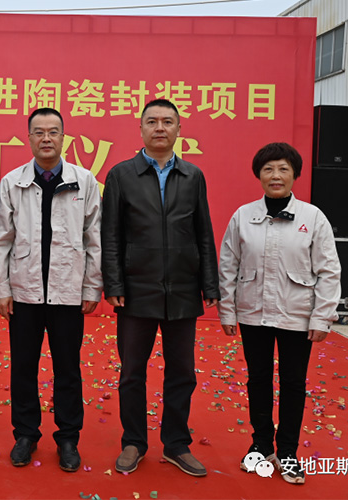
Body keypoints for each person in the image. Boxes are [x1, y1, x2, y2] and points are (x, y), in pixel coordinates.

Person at [101, 98, 220, 477]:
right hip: (136, 289)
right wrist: (113, 282)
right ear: (140, 129)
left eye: (167, 122)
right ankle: (133, 441)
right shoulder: (121, 175)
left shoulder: (193, 176)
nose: (159, 128)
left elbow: (203, 232)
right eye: (152, 121)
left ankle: (176, 444)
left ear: (179, 129)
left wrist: (210, 284)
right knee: (132, 372)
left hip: (183, 290)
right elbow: (110, 235)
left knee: (182, 372)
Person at [218, 142, 341, 485]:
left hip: (296, 314)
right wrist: (227, 311)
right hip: (253, 313)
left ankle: (287, 451)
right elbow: (228, 265)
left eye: (283, 169)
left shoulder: (312, 218)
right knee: (257, 378)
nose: (276, 176)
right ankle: (260, 444)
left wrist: (322, 317)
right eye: (268, 169)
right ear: (258, 175)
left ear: (294, 175)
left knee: (293, 382)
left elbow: (329, 270)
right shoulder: (243, 216)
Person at [0, 108, 102, 472]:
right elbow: (0, 240)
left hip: (68, 291)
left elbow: (94, 238)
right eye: (39, 132)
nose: (46, 138)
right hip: (24, 292)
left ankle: (68, 438)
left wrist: (92, 286)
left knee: (68, 368)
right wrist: (1, 288)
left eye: (53, 131)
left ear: (63, 137)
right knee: (23, 366)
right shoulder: (12, 182)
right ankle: (25, 434)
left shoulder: (84, 181)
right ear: (29, 138)